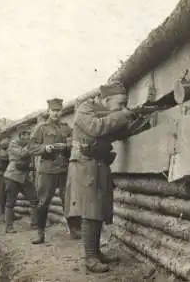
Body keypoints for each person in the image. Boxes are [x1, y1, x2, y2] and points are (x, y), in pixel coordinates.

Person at [65, 80, 136, 273]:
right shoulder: (85, 110)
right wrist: (123, 115)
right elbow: (97, 128)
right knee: (90, 210)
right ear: (105, 100)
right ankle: (90, 257)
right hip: (85, 163)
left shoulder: (106, 113)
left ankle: (96, 253)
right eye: (119, 104)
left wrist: (134, 121)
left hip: (99, 162)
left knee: (100, 208)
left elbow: (115, 131)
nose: (122, 107)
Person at [29, 98, 79, 244]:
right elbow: (31, 147)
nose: (56, 113)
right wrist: (45, 148)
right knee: (43, 202)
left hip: (64, 169)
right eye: (54, 110)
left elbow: (74, 142)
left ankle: (73, 229)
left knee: (68, 200)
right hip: (47, 170)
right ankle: (40, 233)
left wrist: (67, 146)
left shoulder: (66, 127)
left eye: (58, 110)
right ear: (49, 111)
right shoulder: (41, 128)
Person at [3, 125, 38, 233]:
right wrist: (31, 146)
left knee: (34, 200)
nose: (28, 136)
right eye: (26, 134)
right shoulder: (13, 144)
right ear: (21, 135)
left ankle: (35, 224)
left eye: (29, 134)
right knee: (10, 203)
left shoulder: (28, 144)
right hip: (13, 176)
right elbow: (22, 154)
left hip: (25, 176)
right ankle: (9, 227)